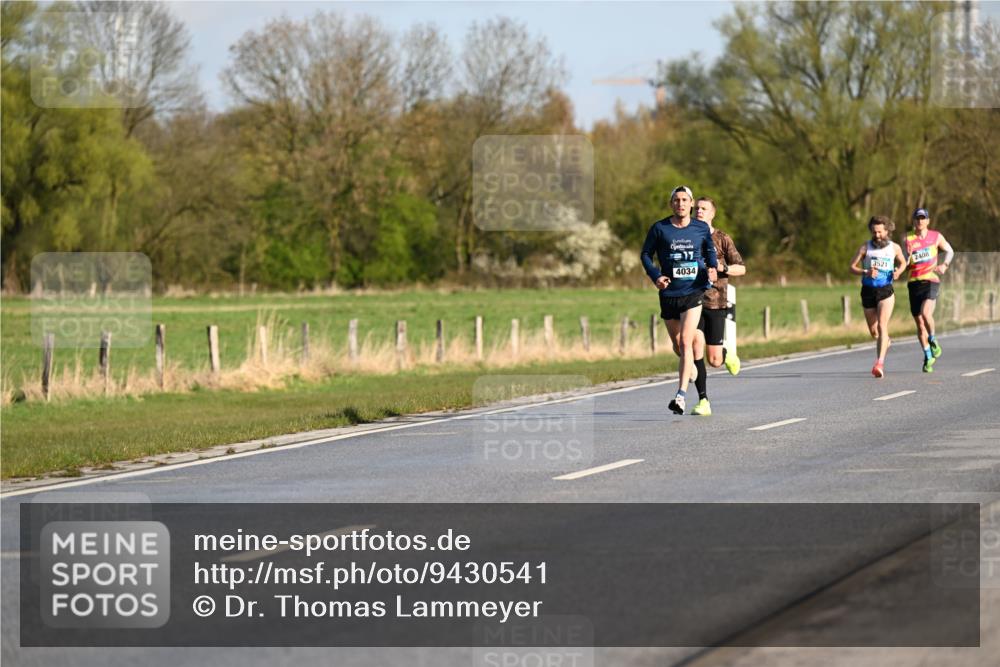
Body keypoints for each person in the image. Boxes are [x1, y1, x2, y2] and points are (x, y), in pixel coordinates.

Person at [641, 185, 718, 414]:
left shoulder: (701, 228)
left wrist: (712, 268)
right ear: (671, 204)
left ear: (691, 203)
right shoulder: (660, 228)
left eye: (685, 200)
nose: (681, 204)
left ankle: (680, 396)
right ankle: (692, 369)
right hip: (669, 294)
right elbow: (645, 254)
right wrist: (656, 276)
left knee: (686, 342)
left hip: (693, 291)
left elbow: (709, 250)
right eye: (676, 200)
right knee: (678, 346)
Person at [688, 197, 746, 416]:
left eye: (704, 209)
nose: (699, 212)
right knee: (695, 345)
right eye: (697, 209)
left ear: (712, 214)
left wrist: (722, 268)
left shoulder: (722, 238)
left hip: (715, 301)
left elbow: (741, 268)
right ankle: (703, 400)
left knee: (714, 360)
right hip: (691, 300)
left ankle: (725, 353)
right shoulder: (687, 236)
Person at [849, 216, 906, 378]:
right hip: (868, 290)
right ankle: (885, 341)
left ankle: (879, 363)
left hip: (885, 291)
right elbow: (851, 267)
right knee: (874, 332)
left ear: (887, 231)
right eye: (874, 232)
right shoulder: (865, 247)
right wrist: (865, 272)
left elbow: (903, 263)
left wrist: (898, 272)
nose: (877, 235)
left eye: (880, 232)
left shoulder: (894, 248)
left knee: (882, 325)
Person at [903, 208, 954, 372]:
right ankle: (928, 356)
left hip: (931, 279)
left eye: (923, 218)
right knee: (919, 325)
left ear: (928, 221)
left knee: (926, 313)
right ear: (913, 221)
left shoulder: (936, 236)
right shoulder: (907, 238)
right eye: (917, 218)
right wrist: (906, 256)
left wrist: (945, 265)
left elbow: (950, 250)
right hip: (914, 282)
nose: (920, 221)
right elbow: (903, 263)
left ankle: (933, 339)